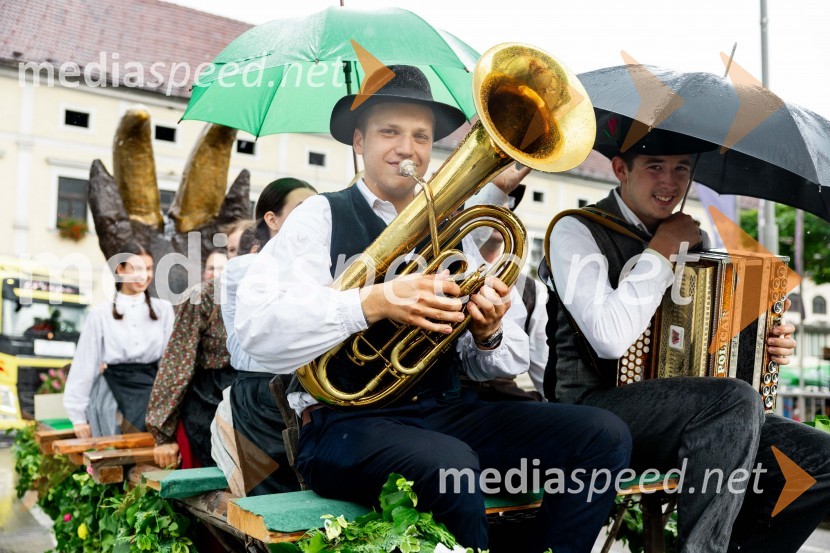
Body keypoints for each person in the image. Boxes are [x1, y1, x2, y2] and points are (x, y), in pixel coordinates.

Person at [235, 66, 632, 553]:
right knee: (451, 468)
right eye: (390, 131)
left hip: (445, 412)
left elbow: (493, 362)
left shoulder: (453, 227)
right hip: (344, 427)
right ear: (359, 141)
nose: (408, 148)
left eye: (420, 136)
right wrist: (375, 300)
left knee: (602, 436)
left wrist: (487, 332)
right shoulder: (320, 216)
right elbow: (257, 331)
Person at [542, 119, 830, 553]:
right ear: (621, 169)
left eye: (681, 169)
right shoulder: (575, 230)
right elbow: (608, 338)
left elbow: (717, 341)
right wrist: (661, 250)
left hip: (696, 417)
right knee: (734, 400)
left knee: (819, 459)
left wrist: (767, 347)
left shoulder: (698, 240)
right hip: (591, 410)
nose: (670, 182)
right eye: (655, 167)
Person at [211, 178, 317, 497]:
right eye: (302, 210)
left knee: (311, 496)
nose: (314, 217)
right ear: (272, 220)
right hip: (259, 395)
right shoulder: (243, 267)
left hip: (306, 391)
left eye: (319, 210)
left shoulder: (313, 264)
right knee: (268, 498)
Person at [64, 241, 174, 438]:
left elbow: (169, 362)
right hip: (112, 392)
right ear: (120, 270)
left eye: (148, 268)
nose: (144, 275)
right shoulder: (100, 314)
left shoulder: (163, 310)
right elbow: (85, 364)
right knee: (114, 445)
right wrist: (78, 417)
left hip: (151, 389)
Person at [146, 247, 234, 468]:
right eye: (233, 249)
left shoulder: (272, 292)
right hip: (206, 398)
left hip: (250, 399)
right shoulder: (201, 297)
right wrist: (162, 432)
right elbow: (178, 364)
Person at [469, 183, 546, 400]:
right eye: (490, 198)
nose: (502, 207)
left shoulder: (533, 290)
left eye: (508, 202)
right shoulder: (442, 271)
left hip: (507, 399)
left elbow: (543, 370)